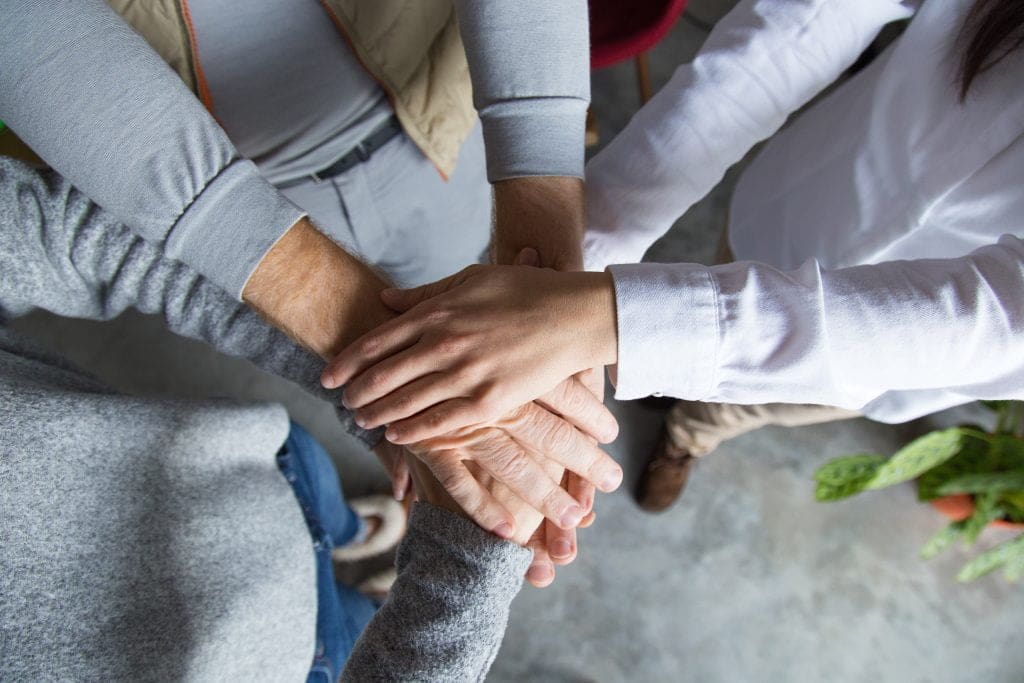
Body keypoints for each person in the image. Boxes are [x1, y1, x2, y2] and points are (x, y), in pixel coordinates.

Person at [320, 0, 1024, 512]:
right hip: (801, 196)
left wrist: (604, 317)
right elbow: (811, 21)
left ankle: (684, 441)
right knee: (694, 295)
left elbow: (995, 322)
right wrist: (585, 255)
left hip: (889, 357)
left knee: (743, 405)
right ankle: (653, 377)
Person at [0, 0, 622, 573]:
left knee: (466, 342)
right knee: (446, 419)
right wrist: (396, 380)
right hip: (230, 190)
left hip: (440, 133)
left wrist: (542, 274)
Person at [0, 156, 604, 680]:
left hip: (257, 468)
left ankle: (352, 531)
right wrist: (472, 547)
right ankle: (371, 587)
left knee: (327, 507)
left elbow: (73, 231)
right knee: (372, 627)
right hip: (299, 665)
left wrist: (386, 385)